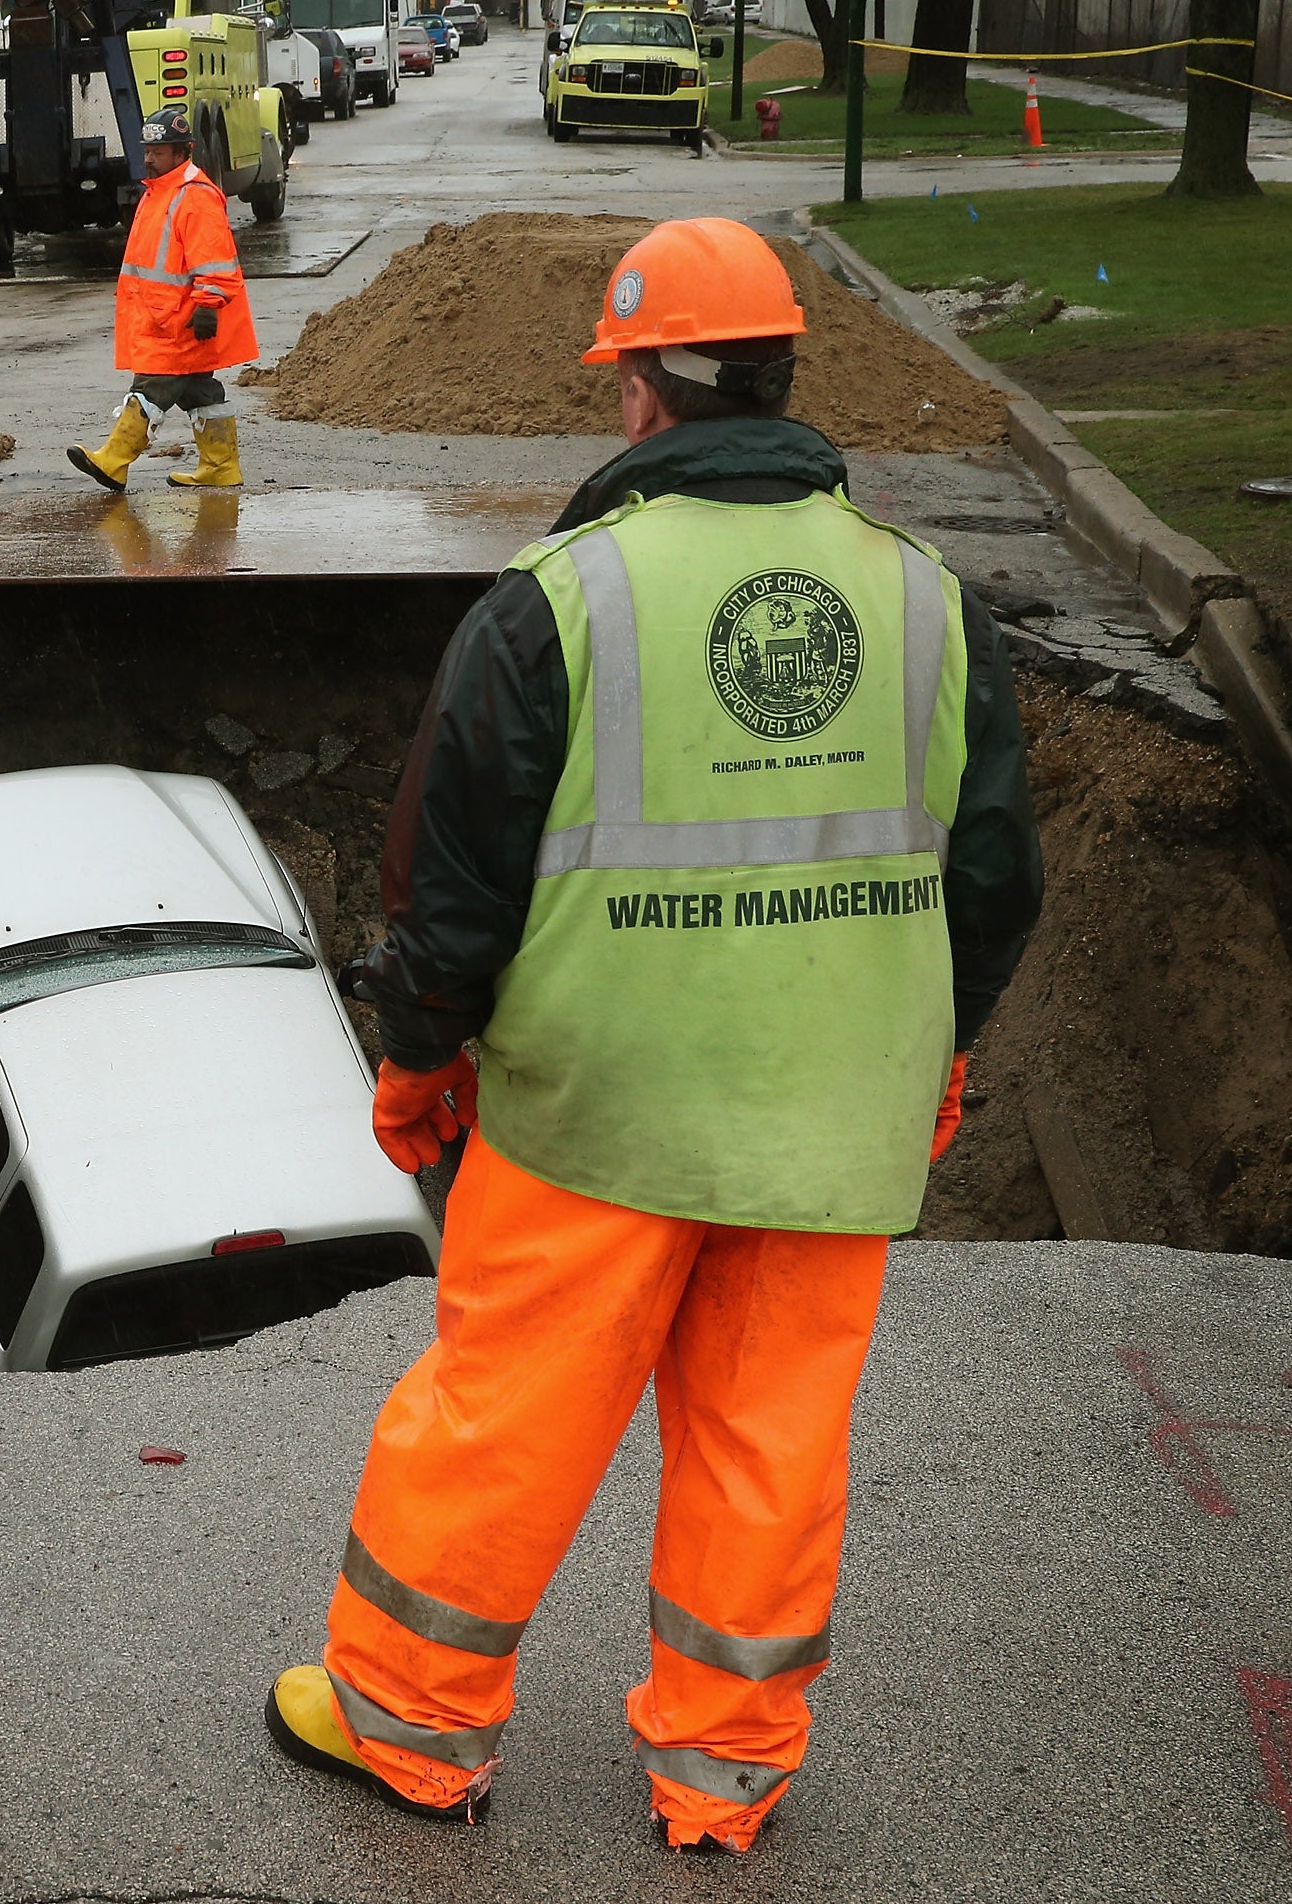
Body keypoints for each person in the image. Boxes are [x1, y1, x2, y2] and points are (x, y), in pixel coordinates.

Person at [264, 217, 1044, 1853]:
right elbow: (991, 877)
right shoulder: (925, 604)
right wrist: (942, 1050)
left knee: (506, 1418)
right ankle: (723, 1774)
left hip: (592, 1121)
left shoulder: (556, 608)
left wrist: (416, 1055)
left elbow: (452, 889)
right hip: (833, 1124)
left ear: (638, 392)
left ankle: (412, 1722)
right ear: (776, 377)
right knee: (773, 1447)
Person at [67, 106, 257, 492]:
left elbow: (215, 258)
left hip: (182, 320)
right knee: (201, 392)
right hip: (162, 317)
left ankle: (114, 460)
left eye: (158, 152)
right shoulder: (160, 193)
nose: (149, 159)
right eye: (147, 151)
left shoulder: (195, 196)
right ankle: (221, 466)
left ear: (182, 151)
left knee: (152, 386)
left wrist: (207, 304)